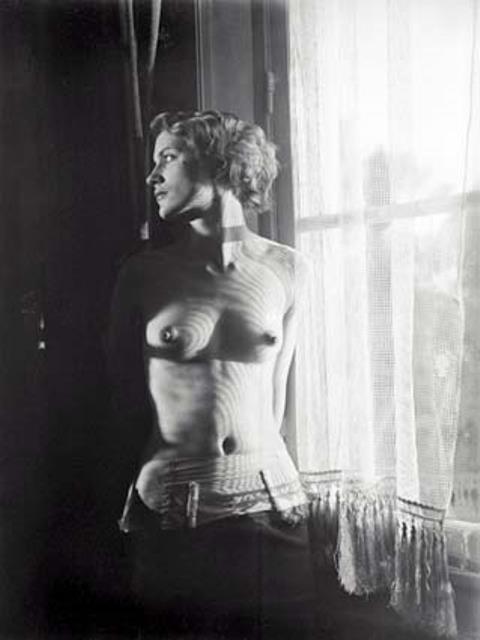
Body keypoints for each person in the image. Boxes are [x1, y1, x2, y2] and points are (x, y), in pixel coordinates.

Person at [108, 110, 315, 639]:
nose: (152, 176)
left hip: (272, 509)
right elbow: (122, 405)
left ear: (220, 163)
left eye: (168, 158)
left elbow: (276, 398)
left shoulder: (289, 269)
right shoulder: (142, 275)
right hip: (175, 516)